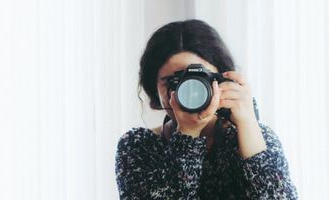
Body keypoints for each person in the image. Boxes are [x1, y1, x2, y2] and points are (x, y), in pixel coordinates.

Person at [115, 19, 298, 199]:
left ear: (222, 80)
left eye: (201, 79)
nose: (189, 91)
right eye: (173, 82)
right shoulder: (139, 145)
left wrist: (248, 123)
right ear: (153, 88)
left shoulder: (253, 137)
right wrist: (187, 134)